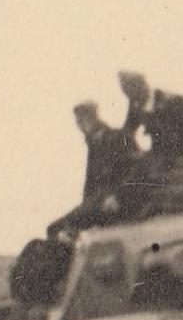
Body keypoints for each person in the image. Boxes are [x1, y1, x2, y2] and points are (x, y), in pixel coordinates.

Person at [47, 101, 137, 238]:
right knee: (55, 229)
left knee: (56, 229)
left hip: (114, 202)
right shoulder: (93, 145)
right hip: (97, 203)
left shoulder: (118, 137)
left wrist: (118, 196)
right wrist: (84, 207)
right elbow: (90, 184)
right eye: (78, 122)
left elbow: (135, 171)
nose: (80, 126)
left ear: (93, 118)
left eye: (82, 121)